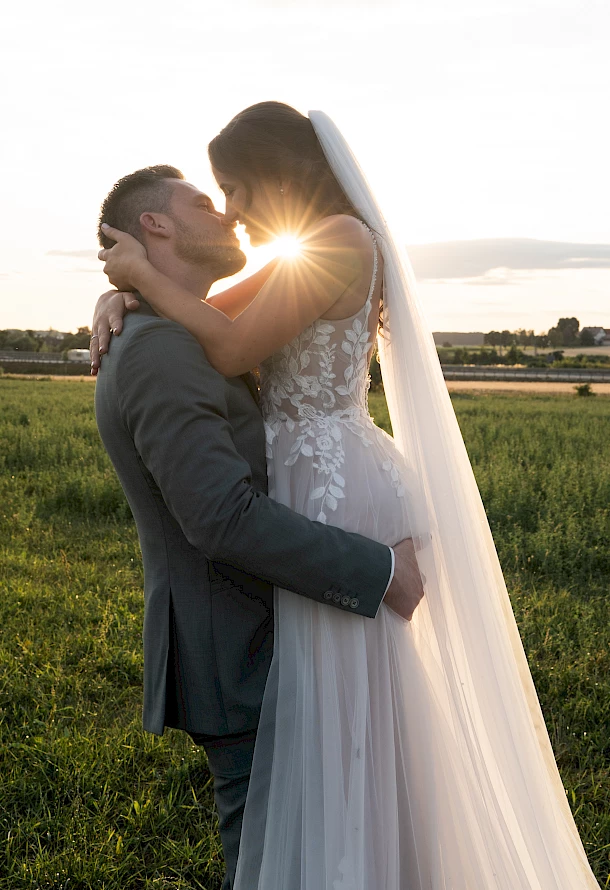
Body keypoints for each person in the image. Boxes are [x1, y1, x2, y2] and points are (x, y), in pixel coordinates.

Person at [93, 105, 600, 889]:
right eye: (212, 195)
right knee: (339, 711)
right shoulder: (306, 249)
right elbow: (209, 316)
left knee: (359, 709)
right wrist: (119, 298)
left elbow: (223, 341)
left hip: (335, 477)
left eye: (233, 186)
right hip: (306, 474)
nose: (229, 207)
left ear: (275, 171)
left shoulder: (339, 239)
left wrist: (141, 278)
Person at [92, 162, 424, 890]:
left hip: (267, 630)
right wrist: (381, 571)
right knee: (270, 861)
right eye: (207, 201)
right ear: (156, 225)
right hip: (238, 652)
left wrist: (123, 289)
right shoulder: (160, 350)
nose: (229, 214)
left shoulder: (175, 329)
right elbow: (222, 518)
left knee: (311, 846)